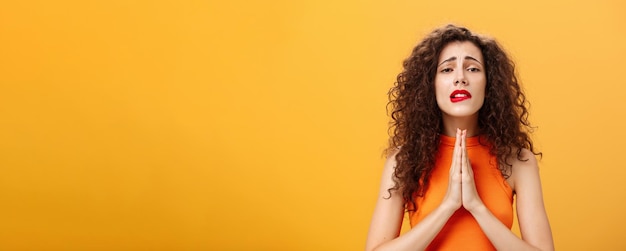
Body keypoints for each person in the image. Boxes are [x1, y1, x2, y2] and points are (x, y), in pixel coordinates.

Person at [365, 24, 554, 251]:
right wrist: (449, 205)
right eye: (447, 70)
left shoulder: (518, 160)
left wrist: (476, 206)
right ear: (429, 85)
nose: (460, 78)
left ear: (489, 84)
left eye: (473, 69)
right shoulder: (404, 159)